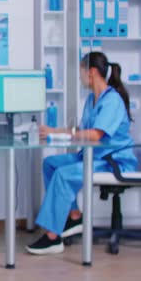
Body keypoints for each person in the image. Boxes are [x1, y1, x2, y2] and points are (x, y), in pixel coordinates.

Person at [26, 51, 138, 255]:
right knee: (51, 163)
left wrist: (62, 134)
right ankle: (75, 216)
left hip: (113, 162)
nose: (80, 76)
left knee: (63, 175)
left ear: (92, 72)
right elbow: (81, 130)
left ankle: (53, 238)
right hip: (93, 156)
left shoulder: (112, 100)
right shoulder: (91, 100)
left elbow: (94, 135)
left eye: (81, 71)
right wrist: (55, 133)